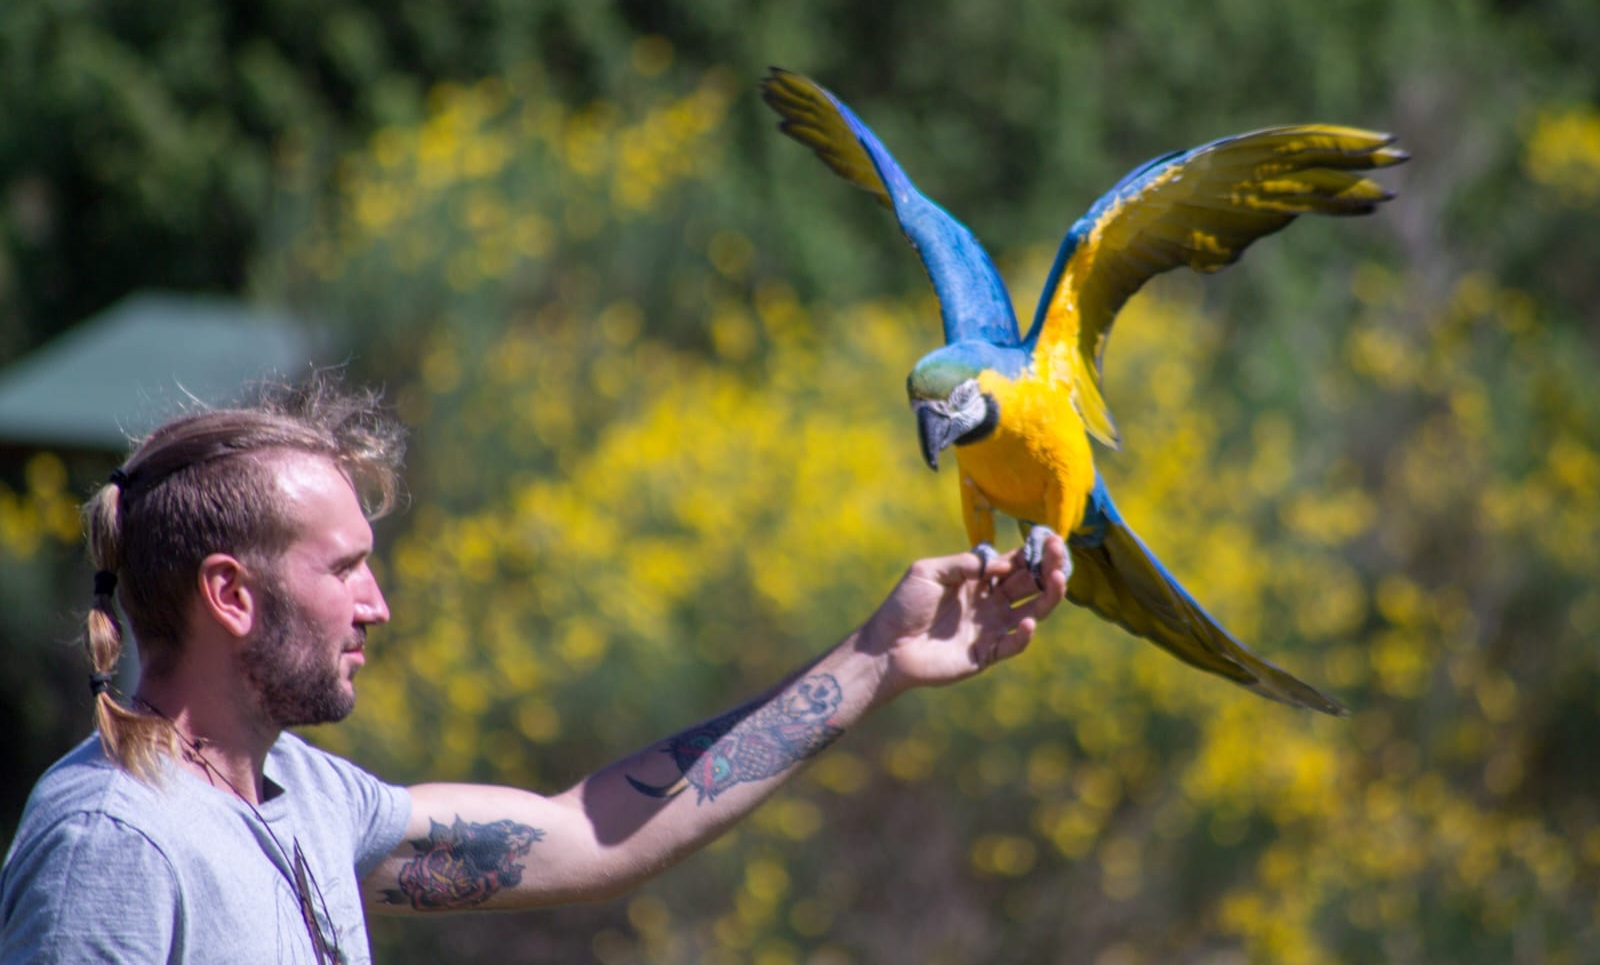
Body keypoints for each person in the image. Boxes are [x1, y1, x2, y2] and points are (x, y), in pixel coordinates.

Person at [0, 373, 1067, 963]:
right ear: (230, 595)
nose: (380, 603)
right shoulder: (115, 842)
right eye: (348, 568)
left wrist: (877, 656)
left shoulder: (311, 801)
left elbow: (589, 834)